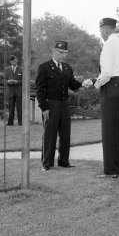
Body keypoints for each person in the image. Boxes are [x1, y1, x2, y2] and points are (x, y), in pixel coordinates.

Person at [85, 18, 119, 178]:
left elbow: (106, 74)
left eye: (101, 31)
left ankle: (112, 170)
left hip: (111, 88)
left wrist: (94, 84)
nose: (101, 34)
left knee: (109, 130)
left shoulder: (108, 45)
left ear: (106, 30)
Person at [35, 40, 84, 171]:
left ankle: (64, 161)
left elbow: (73, 86)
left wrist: (81, 82)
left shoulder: (67, 68)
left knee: (65, 133)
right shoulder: (44, 67)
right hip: (51, 104)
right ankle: (47, 163)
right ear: (54, 51)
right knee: (49, 134)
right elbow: (40, 90)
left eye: (65, 53)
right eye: (61, 52)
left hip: (65, 104)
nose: (63, 55)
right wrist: (44, 107)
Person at [4, 55, 23, 126]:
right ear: (10, 62)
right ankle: (10, 122)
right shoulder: (7, 69)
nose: (13, 62)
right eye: (12, 61)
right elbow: (4, 80)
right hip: (10, 91)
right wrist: (8, 82)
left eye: (14, 61)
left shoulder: (21, 69)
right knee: (10, 107)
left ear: (17, 60)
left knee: (20, 107)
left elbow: (24, 80)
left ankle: (20, 122)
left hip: (19, 91)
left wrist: (17, 82)